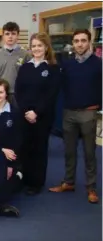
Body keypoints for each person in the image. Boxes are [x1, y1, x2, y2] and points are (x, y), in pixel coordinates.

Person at [49, 29, 102, 203]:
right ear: (73, 43)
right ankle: (69, 182)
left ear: (89, 42)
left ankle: (91, 188)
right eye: (77, 41)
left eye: (83, 41)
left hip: (89, 111)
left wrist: (98, 107)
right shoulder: (68, 65)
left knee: (89, 152)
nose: (80, 44)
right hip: (69, 113)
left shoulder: (98, 64)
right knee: (69, 151)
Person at [15, 32, 61, 195]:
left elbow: (51, 94)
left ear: (46, 47)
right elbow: (18, 91)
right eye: (33, 46)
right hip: (24, 115)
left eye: (39, 45)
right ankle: (24, 179)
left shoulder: (52, 68)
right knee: (24, 147)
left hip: (42, 116)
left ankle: (36, 182)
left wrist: (36, 112)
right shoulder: (25, 67)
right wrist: (26, 111)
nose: (36, 49)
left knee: (39, 149)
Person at [0, 22, 31, 106]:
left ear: (18, 35)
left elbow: (28, 77)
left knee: (18, 118)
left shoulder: (26, 55)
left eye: (13, 33)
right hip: (1, 94)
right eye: (7, 34)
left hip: (19, 94)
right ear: (3, 36)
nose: (10, 36)